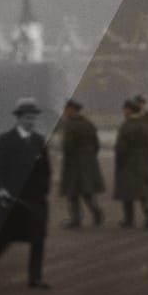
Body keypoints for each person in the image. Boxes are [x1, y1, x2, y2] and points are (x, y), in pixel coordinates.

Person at [0, 97, 52, 289]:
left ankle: (35, 278)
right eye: (27, 118)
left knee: (38, 239)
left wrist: (43, 192)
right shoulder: (5, 140)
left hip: (35, 200)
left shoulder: (39, 141)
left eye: (33, 118)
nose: (31, 122)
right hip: (12, 199)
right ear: (19, 118)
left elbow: (45, 170)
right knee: (5, 238)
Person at [57, 97, 105, 228]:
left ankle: (76, 219)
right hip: (89, 161)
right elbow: (96, 144)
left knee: (73, 193)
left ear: (71, 110)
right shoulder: (88, 123)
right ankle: (97, 213)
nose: (64, 112)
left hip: (74, 162)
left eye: (66, 109)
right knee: (87, 192)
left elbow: (67, 146)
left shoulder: (69, 124)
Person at [114, 95, 148, 229]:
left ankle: (129, 219)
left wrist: (120, 162)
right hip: (144, 159)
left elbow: (120, 147)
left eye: (125, 109)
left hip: (128, 161)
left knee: (127, 192)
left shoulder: (126, 126)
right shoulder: (147, 126)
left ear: (129, 111)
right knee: (143, 190)